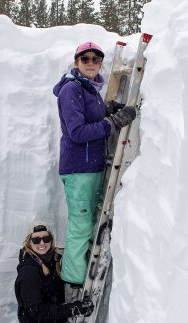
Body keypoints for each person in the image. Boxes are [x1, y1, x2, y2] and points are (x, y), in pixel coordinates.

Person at [52, 41, 137, 295]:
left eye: (96, 59)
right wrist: (111, 123)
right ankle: (74, 282)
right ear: (76, 62)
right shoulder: (72, 90)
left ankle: (76, 274)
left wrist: (106, 111)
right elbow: (77, 131)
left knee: (86, 222)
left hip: (90, 167)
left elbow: (88, 118)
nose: (91, 63)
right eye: (85, 59)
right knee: (81, 225)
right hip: (79, 169)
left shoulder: (88, 89)